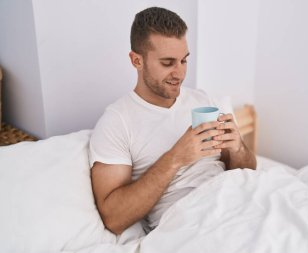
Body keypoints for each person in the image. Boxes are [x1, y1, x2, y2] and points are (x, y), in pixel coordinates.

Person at [89, 6, 256, 235]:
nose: (179, 74)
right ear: (137, 60)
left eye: (184, 61)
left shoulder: (204, 99)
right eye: (167, 63)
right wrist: (176, 158)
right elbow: (114, 218)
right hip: (192, 224)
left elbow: (247, 170)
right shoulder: (117, 122)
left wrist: (237, 148)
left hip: (240, 201)